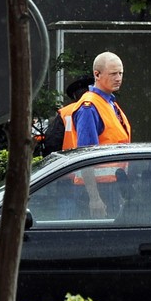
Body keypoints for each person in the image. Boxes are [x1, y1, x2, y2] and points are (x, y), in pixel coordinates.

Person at [57, 52, 132, 217]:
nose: (118, 78)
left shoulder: (109, 104)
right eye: (113, 74)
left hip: (111, 188)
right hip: (97, 191)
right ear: (97, 75)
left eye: (120, 73)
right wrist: (95, 198)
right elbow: (86, 156)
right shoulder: (89, 107)